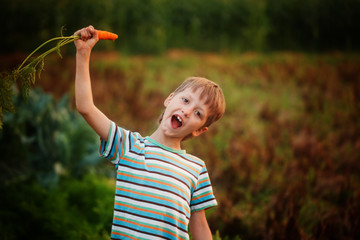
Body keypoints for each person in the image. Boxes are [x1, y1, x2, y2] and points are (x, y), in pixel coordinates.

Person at [74, 25, 226, 240]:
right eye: (185, 100)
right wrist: (83, 53)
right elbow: (85, 107)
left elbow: (200, 226)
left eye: (198, 113)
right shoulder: (128, 146)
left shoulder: (196, 169)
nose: (187, 110)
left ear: (200, 130)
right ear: (169, 99)